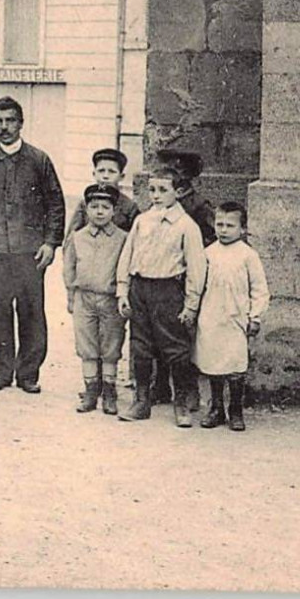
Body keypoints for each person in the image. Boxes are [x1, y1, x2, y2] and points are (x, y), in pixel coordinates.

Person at [0, 97, 66, 393]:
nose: (4, 127)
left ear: (21, 123)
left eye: (10, 120)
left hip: (30, 252)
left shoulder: (39, 160)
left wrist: (50, 243)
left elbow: (55, 204)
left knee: (32, 312)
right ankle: (0, 370)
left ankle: (29, 374)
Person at [115, 165, 207, 425]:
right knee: (140, 346)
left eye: (163, 190)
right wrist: (123, 291)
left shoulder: (186, 226)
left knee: (175, 348)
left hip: (168, 291)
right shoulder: (142, 221)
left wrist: (191, 305)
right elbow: (127, 256)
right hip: (140, 289)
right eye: (152, 189)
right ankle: (142, 402)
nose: (155, 195)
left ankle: (181, 404)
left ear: (177, 192)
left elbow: (196, 268)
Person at [194, 202, 270, 431]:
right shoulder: (207, 254)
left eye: (230, 225)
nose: (224, 230)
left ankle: (236, 409)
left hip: (236, 317)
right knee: (213, 362)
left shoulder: (248, 256)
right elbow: (197, 285)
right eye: (220, 224)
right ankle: (216, 408)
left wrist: (255, 316)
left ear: (243, 228)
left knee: (235, 364)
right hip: (210, 316)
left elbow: (259, 288)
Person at [62, 184, 129, 415]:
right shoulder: (77, 237)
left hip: (110, 299)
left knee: (110, 346)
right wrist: (70, 295)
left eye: (105, 207)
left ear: (114, 210)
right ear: (86, 209)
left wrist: (123, 295)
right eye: (94, 206)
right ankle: (91, 390)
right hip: (84, 298)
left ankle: (109, 391)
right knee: (87, 345)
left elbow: (125, 268)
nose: (99, 211)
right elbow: (69, 267)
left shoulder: (123, 239)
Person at [67, 148, 141, 233]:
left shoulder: (129, 207)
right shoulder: (84, 204)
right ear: (94, 174)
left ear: (121, 176)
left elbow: (135, 237)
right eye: (101, 171)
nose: (105, 176)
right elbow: (72, 236)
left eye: (111, 172)